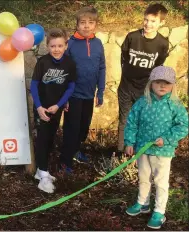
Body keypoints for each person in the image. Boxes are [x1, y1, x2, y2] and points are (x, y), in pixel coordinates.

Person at [124, 66, 188, 229]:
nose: (162, 86)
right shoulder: (142, 102)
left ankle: (159, 211)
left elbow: (183, 126)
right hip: (143, 149)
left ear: (173, 85)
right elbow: (132, 122)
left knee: (160, 181)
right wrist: (130, 142)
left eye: (166, 83)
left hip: (163, 151)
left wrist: (166, 139)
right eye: (158, 82)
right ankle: (142, 203)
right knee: (144, 178)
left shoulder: (175, 105)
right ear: (151, 84)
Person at [117, 3, 169, 157]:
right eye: (146, 20)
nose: (148, 24)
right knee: (124, 120)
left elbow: (158, 66)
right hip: (126, 87)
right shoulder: (132, 37)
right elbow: (124, 57)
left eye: (153, 21)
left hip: (145, 90)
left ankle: (138, 154)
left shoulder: (162, 43)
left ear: (161, 23)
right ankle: (121, 153)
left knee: (141, 122)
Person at [60, 6, 106, 173]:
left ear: (95, 25)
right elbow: (63, 70)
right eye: (83, 22)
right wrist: (64, 97)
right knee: (71, 128)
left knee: (84, 127)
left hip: (89, 94)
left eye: (90, 22)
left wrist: (100, 91)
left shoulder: (98, 43)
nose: (86, 26)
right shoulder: (70, 44)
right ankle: (65, 161)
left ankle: (75, 151)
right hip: (73, 95)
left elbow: (102, 67)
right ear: (77, 25)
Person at [31, 28, 77, 193]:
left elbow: (71, 86)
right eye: (52, 46)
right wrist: (38, 107)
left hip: (56, 108)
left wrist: (59, 104)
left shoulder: (69, 63)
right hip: (42, 108)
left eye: (59, 46)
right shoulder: (43, 62)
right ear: (48, 46)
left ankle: (40, 171)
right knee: (42, 139)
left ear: (65, 45)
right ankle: (43, 176)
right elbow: (34, 85)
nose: (56, 49)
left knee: (50, 138)